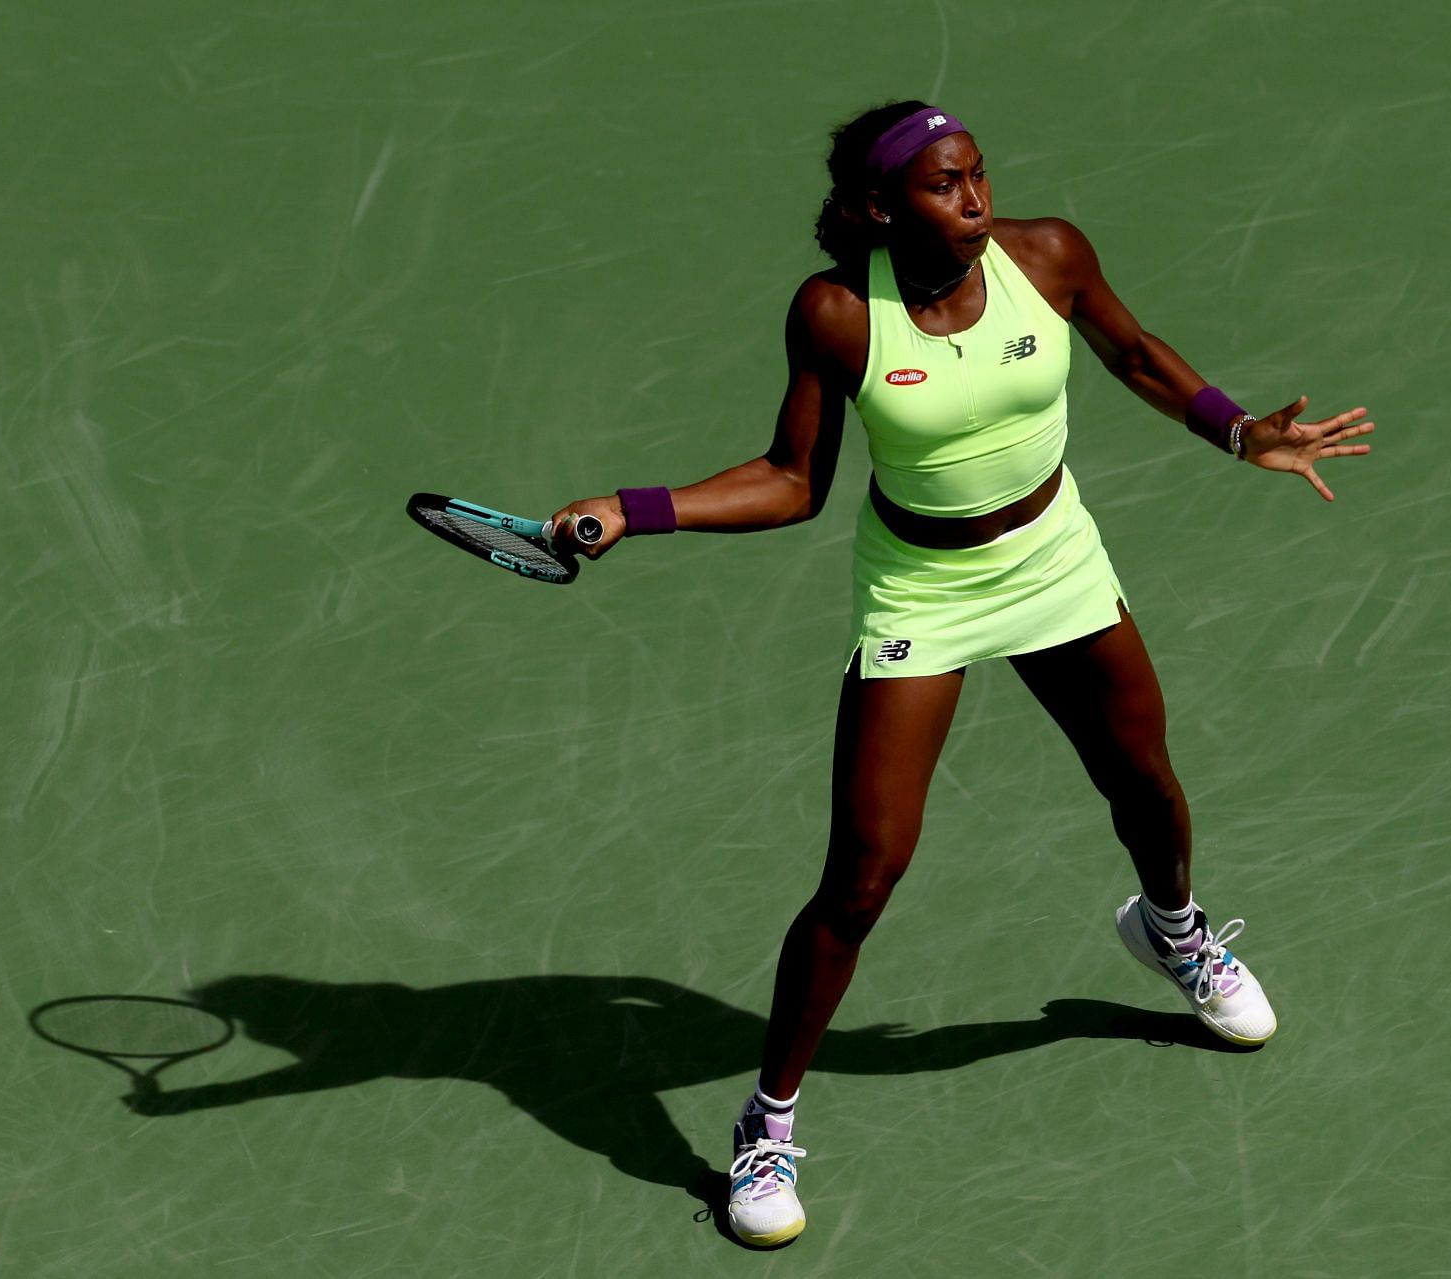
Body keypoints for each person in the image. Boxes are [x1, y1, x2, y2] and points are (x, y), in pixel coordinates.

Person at [549, 100, 1374, 1248]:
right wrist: (634, 512)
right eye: (947, 185)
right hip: (923, 595)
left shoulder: (1048, 255)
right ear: (887, 206)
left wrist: (1240, 432)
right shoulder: (838, 313)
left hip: (1057, 559)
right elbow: (794, 481)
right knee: (865, 871)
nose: (977, 198)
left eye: (980, 174)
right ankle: (768, 1123)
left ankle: (1172, 928)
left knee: (1145, 782)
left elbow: (1134, 353)